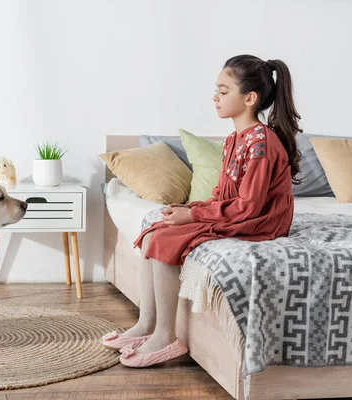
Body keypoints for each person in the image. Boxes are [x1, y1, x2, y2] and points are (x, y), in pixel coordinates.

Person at [102, 54, 302, 368]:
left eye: (223, 91)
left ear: (249, 98)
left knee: (166, 242)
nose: (215, 97)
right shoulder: (234, 140)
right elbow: (223, 195)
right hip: (240, 212)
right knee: (155, 227)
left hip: (261, 223)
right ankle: (147, 324)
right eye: (216, 90)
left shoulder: (261, 143)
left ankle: (166, 337)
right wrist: (188, 209)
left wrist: (193, 217)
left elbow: (249, 206)